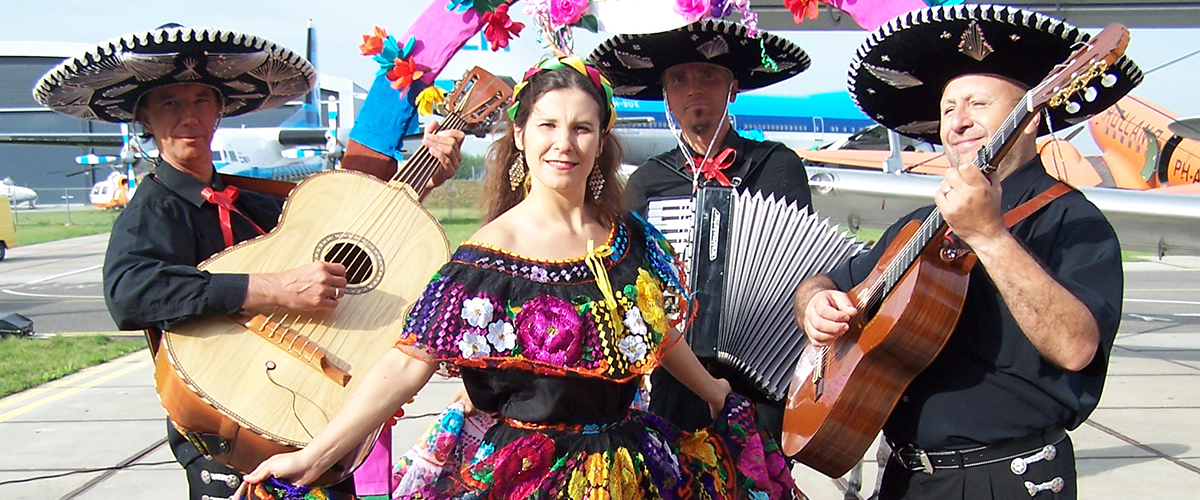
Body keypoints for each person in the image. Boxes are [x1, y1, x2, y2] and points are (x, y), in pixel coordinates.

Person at [245, 55, 798, 500]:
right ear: (520, 133)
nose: (565, 144)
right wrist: (314, 454)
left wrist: (715, 392)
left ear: (601, 141)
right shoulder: (483, 259)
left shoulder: (628, 236)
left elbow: (656, 331)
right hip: (524, 476)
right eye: (549, 125)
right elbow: (405, 364)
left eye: (582, 128)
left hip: (632, 468)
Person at [33, 25, 464, 500]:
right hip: (225, 421)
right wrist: (271, 288)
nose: (188, 116)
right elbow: (132, 291)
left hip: (312, 419)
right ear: (145, 119)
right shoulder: (152, 211)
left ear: (219, 111)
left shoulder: (253, 201)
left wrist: (423, 174)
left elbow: (350, 229)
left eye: (201, 100)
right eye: (170, 103)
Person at [791, 5, 1143, 499]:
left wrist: (991, 236)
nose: (957, 122)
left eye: (977, 104)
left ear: (1028, 114)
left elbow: (1076, 347)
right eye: (948, 109)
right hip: (906, 480)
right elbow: (823, 280)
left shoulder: (1071, 219)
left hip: (1007, 480)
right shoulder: (917, 224)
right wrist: (815, 307)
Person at [588, 19, 813, 441]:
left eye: (708, 75)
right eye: (679, 79)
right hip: (677, 377)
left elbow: (803, 270)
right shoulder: (648, 182)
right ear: (667, 97)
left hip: (763, 373)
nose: (694, 88)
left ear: (731, 89)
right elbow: (633, 286)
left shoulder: (776, 166)